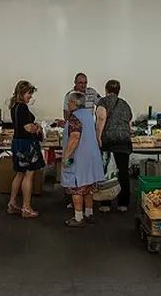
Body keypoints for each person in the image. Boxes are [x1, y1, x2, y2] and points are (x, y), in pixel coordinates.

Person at [61, 91, 104, 227]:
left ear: (74, 102)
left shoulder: (75, 117)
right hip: (90, 157)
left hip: (78, 158)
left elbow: (75, 137)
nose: (67, 104)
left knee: (76, 187)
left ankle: (78, 217)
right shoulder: (87, 115)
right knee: (88, 187)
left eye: (69, 102)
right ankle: (89, 213)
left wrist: (66, 156)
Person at [8, 80, 45, 219]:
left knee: (19, 173)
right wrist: (38, 128)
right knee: (29, 174)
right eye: (29, 93)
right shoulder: (22, 107)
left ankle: (12, 203)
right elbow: (28, 128)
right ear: (22, 92)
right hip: (26, 144)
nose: (30, 96)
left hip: (17, 142)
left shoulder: (14, 106)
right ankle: (26, 207)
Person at [95, 79, 133, 212]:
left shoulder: (103, 102)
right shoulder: (125, 104)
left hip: (108, 141)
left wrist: (98, 136)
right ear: (118, 91)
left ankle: (106, 203)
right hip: (124, 141)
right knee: (123, 172)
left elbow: (101, 118)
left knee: (107, 172)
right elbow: (129, 122)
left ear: (106, 90)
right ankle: (123, 204)